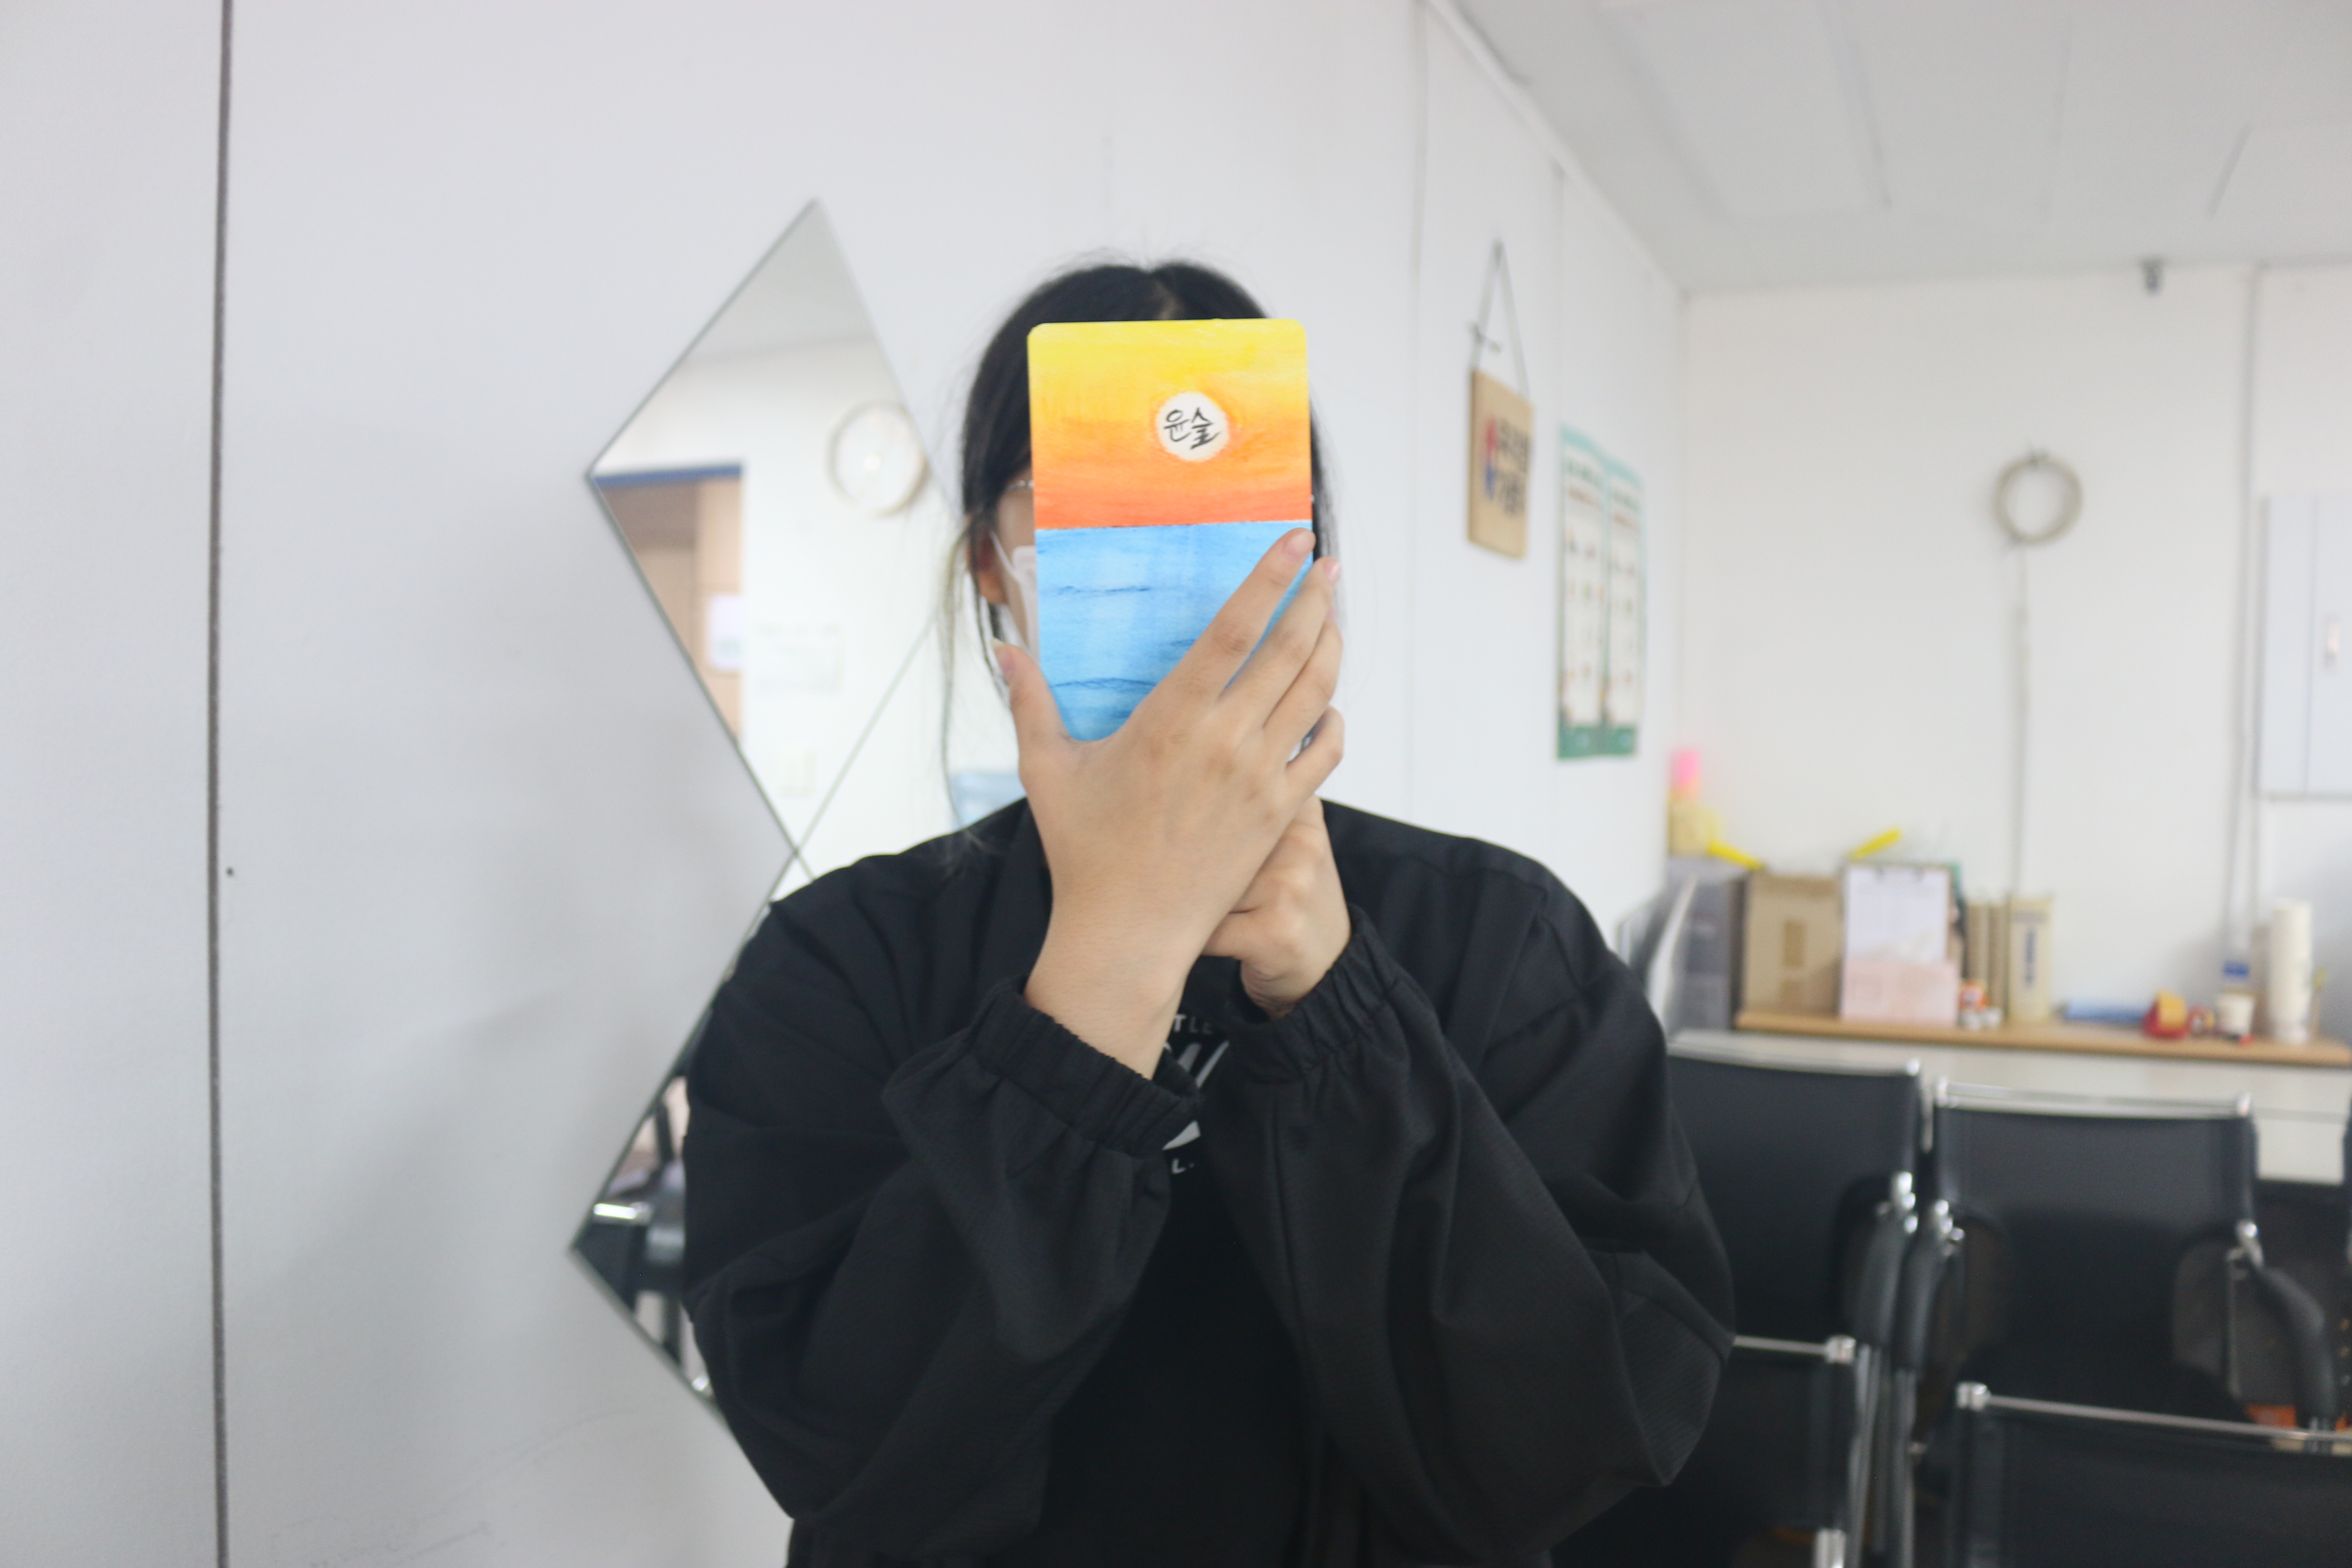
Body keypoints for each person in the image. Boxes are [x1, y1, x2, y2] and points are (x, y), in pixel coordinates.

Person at [681, 261, 1732, 1568]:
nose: (1159, 550)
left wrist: (1338, 1006)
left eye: (1227, 498)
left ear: (1310, 559)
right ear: (992, 562)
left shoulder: (1503, 940)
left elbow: (1578, 1439)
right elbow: (839, 1452)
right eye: (1081, 495)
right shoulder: (838, 961)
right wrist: (1106, 967)